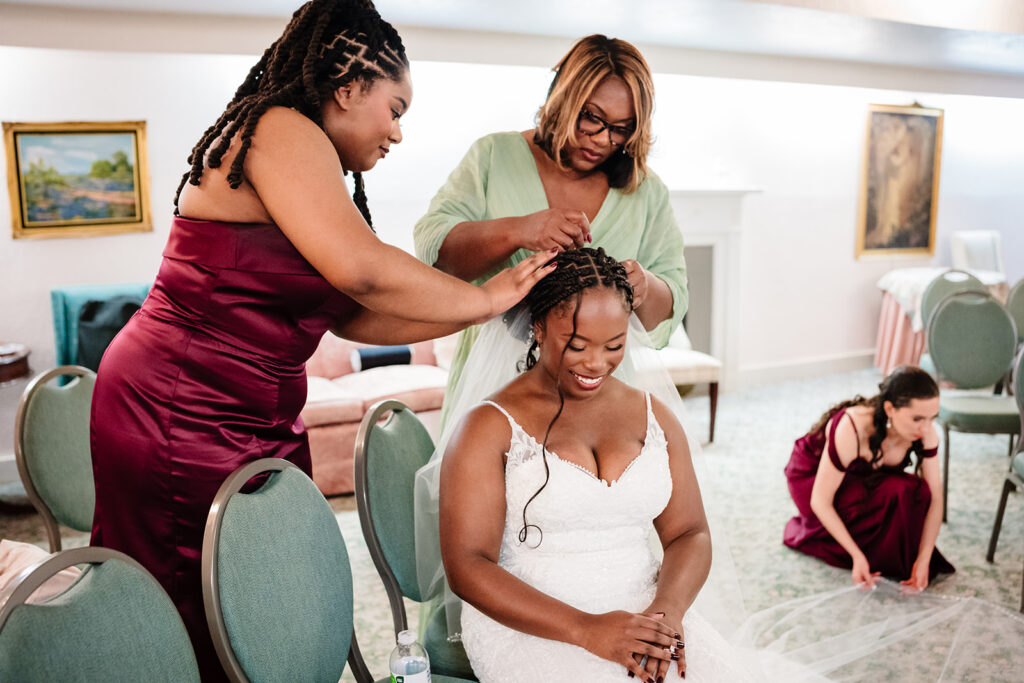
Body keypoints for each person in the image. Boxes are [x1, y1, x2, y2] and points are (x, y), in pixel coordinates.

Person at [88, 1, 553, 678]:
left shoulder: (310, 167)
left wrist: (482, 312)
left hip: (245, 410)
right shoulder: (280, 128)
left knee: (256, 593)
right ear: (347, 87)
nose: (397, 132)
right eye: (394, 108)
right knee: (195, 598)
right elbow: (364, 268)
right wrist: (486, 294)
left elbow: (356, 315)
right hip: (176, 406)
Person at [439, 248, 756, 682]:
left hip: (647, 606)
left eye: (614, 346)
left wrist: (666, 615)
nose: (596, 363)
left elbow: (690, 532)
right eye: (577, 344)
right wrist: (587, 629)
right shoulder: (487, 427)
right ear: (538, 326)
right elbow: (468, 566)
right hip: (531, 620)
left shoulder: (654, 415)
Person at [414, 34, 688, 427]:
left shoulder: (646, 191)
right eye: (591, 117)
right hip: (492, 388)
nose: (603, 139)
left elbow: (674, 297)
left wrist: (645, 286)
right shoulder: (494, 156)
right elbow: (434, 252)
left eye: (622, 128)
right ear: (563, 96)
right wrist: (519, 231)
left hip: (596, 392)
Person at [783, 366, 955, 590]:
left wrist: (924, 558)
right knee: (882, 502)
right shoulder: (852, 427)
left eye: (932, 418)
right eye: (917, 418)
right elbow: (820, 501)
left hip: (866, 476)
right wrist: (856, 556)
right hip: (813, 477)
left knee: (915, 492)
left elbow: (935, 498)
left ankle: (879, 547)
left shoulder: (924, 433)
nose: (926, 427)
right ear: (890, 408)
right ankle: (859, 545)